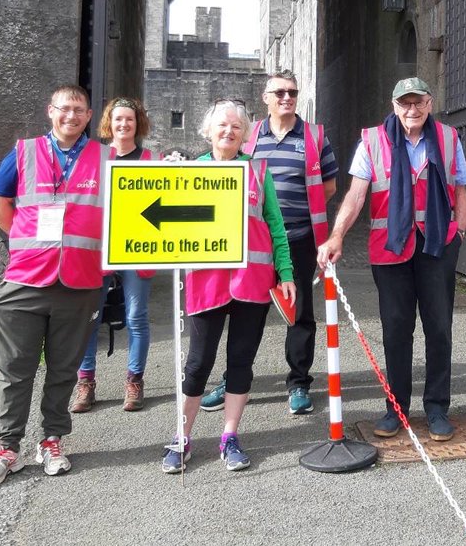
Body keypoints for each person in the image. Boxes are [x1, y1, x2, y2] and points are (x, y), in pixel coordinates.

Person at [0, 84, 112, 488]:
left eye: (80, 110)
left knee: (63, 369)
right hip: (26, 278)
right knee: (15, 370)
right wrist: (25, 239)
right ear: (51, 111)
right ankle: (6, 447)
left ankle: (52, 440)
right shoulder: (24, 152)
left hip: (80, 279)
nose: (72, 116)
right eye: (64, 109)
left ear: (89, 116)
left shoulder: (105, 159)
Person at [318, 77, 466, 442]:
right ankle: (396, 408)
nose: (412, 110)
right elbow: (355, 195)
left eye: (418, 103)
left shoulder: (449, 139)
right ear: (394, 105)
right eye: (405, 104)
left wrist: (458, 235)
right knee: (396, 331)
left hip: (436, 246)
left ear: (429, 104)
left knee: (439, 331)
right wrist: (336, 235)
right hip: (391, 249)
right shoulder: (373, 141)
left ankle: (436, 409)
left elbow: (461, 191)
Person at [161, 99, 296, 473]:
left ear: (246, 133)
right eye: (222, 125)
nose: (229, 131)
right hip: (207, 282)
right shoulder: (189, 171)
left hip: (252, 283)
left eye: (237, 126)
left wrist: (286, 275)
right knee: (198, 363)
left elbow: (276, 227)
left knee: (241, 362)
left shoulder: (257, 171)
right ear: (208, 131)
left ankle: (230, 435)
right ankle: (182, 436)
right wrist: (169, 175)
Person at [199, 71, 338, 416]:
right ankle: (230, 380)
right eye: (279, 92)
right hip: (250, 243)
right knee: (242, 311)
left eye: (292, 92)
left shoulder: (315, 137)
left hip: (299, 238)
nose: (286, 98)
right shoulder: (248, 137)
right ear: (266, 97)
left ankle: (299, 383)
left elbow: (329, 186)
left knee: (299, 313)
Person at [70, 97, 157, 414]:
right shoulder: (94, 157)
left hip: (137, 247)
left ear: (138, 124)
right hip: (100, 247)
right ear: (109, 122)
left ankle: (134, 380)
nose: (124, 125)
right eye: (118, 119)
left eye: (130, 120)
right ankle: (85, 382)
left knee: (136, 316)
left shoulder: (151, 159)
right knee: (90, 318)